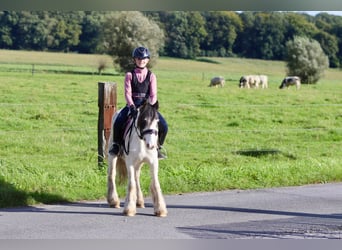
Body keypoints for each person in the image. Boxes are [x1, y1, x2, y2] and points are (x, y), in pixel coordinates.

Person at [109, 46, 168, 159]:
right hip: (133, 105)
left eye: (144, 58)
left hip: (147, 106)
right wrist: (131, 106)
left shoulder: (152, 76)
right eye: (139, 58)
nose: (141, 61)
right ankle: (116, 145)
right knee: (118, 121)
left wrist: (149, 107)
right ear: (134, 60)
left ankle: (158, 147)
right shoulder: (129, 75)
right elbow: (127, 93)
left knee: (164, 126)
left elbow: (153, 95)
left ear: (148, 60)